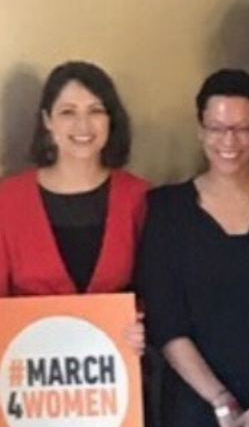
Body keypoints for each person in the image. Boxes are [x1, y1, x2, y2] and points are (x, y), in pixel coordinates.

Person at [140, 70, 249, 427]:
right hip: (195, 413)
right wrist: (220, 401)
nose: (228, 141)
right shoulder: (166, 210)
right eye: (216, 128)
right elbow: (166, 323)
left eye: (241, 128)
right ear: (200, 130)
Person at [0, 61, 148, 330]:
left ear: (110, 120)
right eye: (68, 112)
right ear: (47, 121)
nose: (83, 125)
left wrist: (142, 325)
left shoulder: (139, 197)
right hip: (28, 363)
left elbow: (156, 294)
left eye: (96, 111)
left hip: (120, 363)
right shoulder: (7, 202)